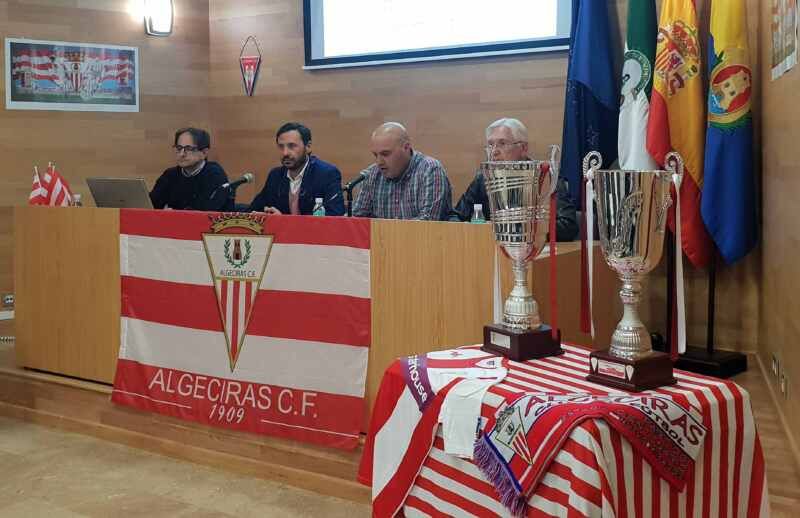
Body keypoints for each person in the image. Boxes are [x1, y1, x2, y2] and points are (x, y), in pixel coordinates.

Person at [451, 118, 579, 241]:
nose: (494, 151)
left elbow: (568, 225)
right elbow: (455, 217)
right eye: (490, 145)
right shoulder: (484, 178)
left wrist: (516, 227)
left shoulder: (545, 176)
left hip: (532, 253)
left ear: (523, 148)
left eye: (502, 143)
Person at [351, 122, 452, 220]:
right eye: (375, 155)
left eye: (385, 154)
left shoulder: (430, 170)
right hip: (381, 237)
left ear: (406, 147)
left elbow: (428, 222)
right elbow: (357, 220)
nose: (379, 162)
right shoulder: (371, 174)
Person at [247, 122, 344, 216]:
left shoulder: (326, 174)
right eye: (281, 147)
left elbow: (335, 215)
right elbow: (253, 209)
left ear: (308, 147)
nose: (285, 153)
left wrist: (283, 221)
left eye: (292, 146)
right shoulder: (275, 176)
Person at [150, 127, 234, 211]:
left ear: (204, 153)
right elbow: (151, 204)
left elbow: (205, 211)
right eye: (179, 148)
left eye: (188, 149)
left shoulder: (214, 175)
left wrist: (174, 214)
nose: (182, 154)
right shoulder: (170, 175)